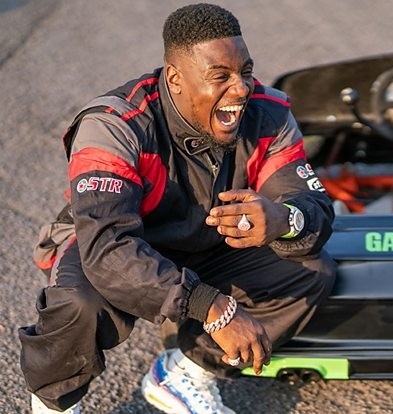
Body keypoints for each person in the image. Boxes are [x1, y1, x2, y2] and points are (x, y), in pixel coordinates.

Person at [19, 3, 336, 413]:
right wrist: (212, 307)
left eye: (245, 72)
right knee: (81, 304)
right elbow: (107, 248)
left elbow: (315, 208)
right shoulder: (114, 124)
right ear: (175, 78)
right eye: (220, 76)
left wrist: (285, 219)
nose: (240, 89)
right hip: (116, 245)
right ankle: (54, 402)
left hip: (210, 244)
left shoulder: (271, 114)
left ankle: (184, 374)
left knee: (312, 271)